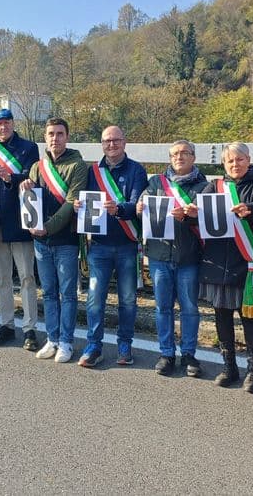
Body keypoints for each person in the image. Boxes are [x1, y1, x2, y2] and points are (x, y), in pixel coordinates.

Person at [199, 142, 253, 389]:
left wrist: (249, 209)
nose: (235, 164)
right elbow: (201, 209)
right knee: (221, 316)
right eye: (230, 160)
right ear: (224, 163)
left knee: (249, 318)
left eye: (240, 159)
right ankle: (229, 367)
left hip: (247, 264)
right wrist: (190, 212)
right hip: (219, 262)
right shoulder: (215, 186)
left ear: (248, 160)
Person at [73, 126, 148, 367]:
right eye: (107, 141)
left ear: (124, 142)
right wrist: (77, 206)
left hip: (127, 244)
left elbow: (137, 204)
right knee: (95, 299)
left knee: (127, 299)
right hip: (99, 245)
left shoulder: (137, 170)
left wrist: (119, 209)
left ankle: (125, 344)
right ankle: (94, 345)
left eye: (116, 140)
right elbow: (83, 198)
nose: (112, 144)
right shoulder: (92, 171)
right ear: (102, 144)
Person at [137, 140, 209, 377]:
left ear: (193, 157)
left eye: (185, 153)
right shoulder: (156, 182)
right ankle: (166, 353)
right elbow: (143, 205)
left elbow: (210, 221)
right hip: (159, 255)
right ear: (170, 158)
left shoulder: (205, 186)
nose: (179, 157)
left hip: (189, 256)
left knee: (190, 308)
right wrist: (139, 207)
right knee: (163, 307)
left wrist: (195, 216)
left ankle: (188, 353)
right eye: (175, 154)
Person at [20, 118, 88, 363]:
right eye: (51, 134)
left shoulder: (78, 165)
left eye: (60, 134)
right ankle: (52, 338)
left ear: (67, 136)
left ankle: (67, 341)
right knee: (48, 292)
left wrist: (46, 228)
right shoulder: (37, 166)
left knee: (67, 294)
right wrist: (25, 186)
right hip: (41, 241)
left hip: (66, 239)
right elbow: (30, 202)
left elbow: (71, 203)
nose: (55, 138)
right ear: (45, 137)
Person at [0, 109, 40, 350]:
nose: (3, 127)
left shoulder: (28, 147)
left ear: (13, 123)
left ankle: (30, 327)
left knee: (26, 276)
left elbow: (33, 177)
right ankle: (6, 324)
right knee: (2, 277)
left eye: (6, 122)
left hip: (20, 217)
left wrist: (10, 178)